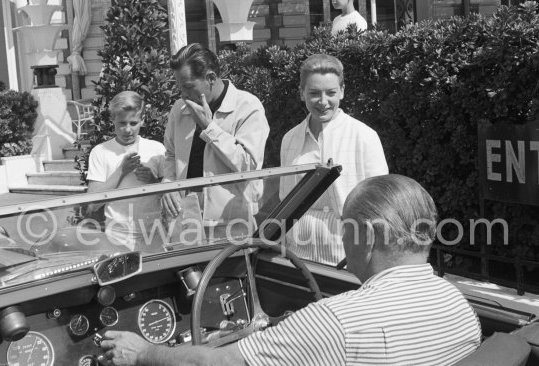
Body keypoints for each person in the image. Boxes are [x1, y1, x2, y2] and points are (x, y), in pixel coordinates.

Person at [99, 174, 482, 365]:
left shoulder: (336, 321)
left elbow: (217, 363)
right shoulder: (459, 308)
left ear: (366, 236)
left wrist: (143, 352)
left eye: (343, 227)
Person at [280, 54, 388, 265]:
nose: (323, 102)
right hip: (299, 258)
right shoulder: (289, 139)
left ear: (342, 91)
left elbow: (382, 204)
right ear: (302, 93)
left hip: (349, 259)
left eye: (330, 93)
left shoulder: (364, 136)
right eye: (314, 93)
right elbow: (285, 200)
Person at [161, 43, 269, 229]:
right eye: (180, 88)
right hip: (185, 218)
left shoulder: (248, 107)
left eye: (188, 87)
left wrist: (209, 127)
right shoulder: (180, 108)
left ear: (210, 78)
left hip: (231, 222)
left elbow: (248, 166)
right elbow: (171, 154)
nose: (183, 94)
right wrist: (168, 184)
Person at [86, 91, 165, 251]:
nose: (128, 129)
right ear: (112, 119)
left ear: (142, 120)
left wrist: (152, 181)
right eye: (122, 123)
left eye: (133, 123)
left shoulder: (156, 149)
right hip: (117, 238)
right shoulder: (100, 151)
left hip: (155, 235)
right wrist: (120, 172)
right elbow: (92, 204)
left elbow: (170, 197)